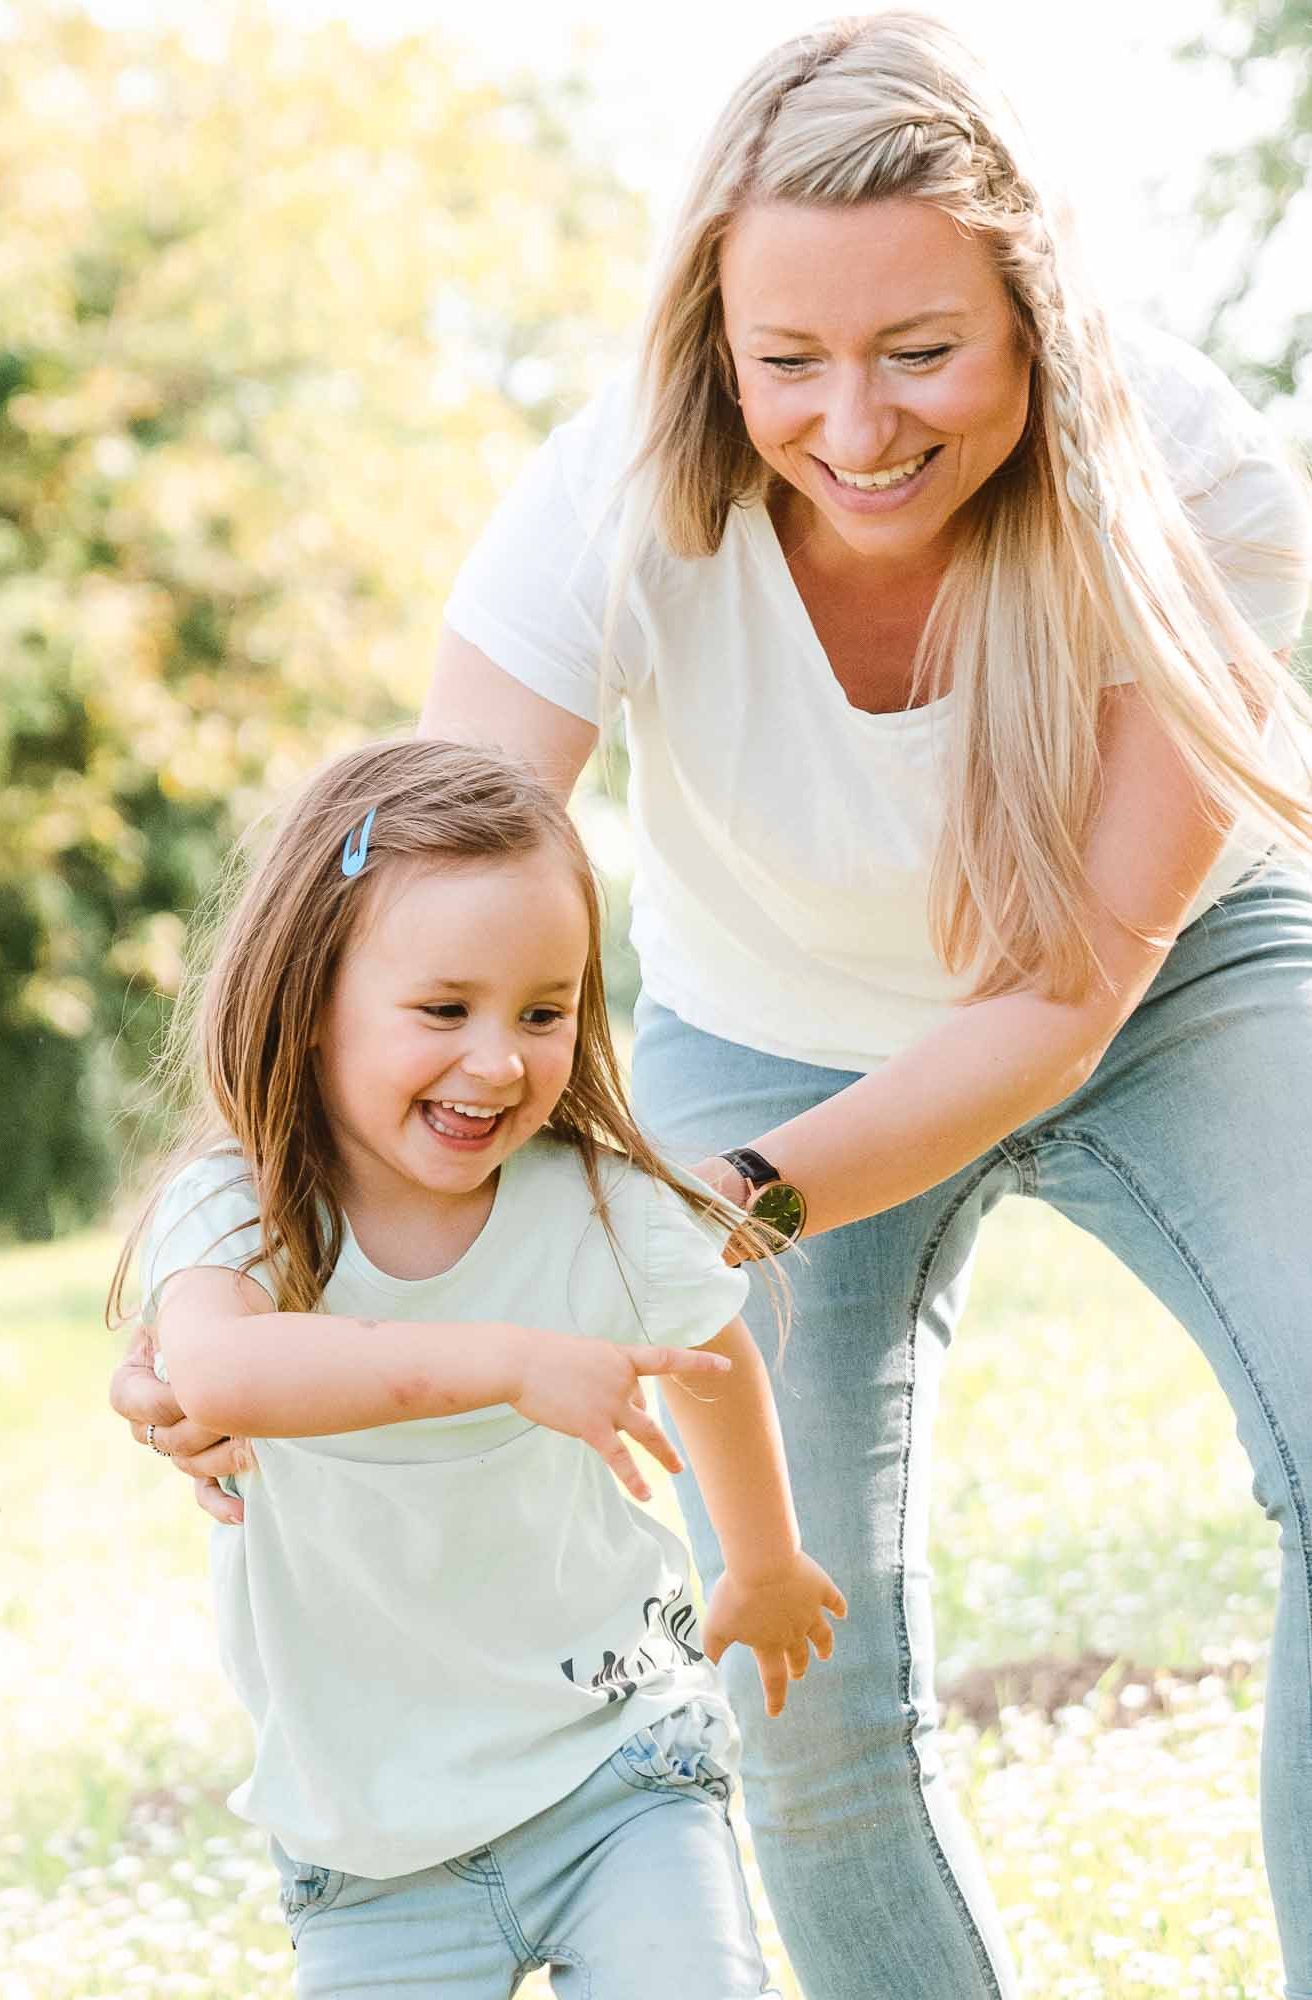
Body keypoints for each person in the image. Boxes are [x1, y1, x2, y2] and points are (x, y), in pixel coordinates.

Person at [113, 12, 1312, 1997]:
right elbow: (382, 936)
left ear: (1037, 315)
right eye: (788, 362)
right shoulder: (603, 508)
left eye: (921, 351)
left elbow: (1060, 995)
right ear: (713, 340)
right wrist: (196, 1272)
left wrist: (705, 1205)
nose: (855, 426)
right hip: (766, 1026)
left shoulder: (1201, 492)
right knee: (787, 1668)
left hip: (1173, 986)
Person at [107, 737, 846, 1999]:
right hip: (372, 1846)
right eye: (444, 1009)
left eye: (543, 1011)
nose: (499, 1059)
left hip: (617, 1767)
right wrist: (509, 1363)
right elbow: (222, 1370)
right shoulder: (239, 1212)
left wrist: (765, 1558)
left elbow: (710, 1346)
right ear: (313, 995)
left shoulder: (599, 1208)